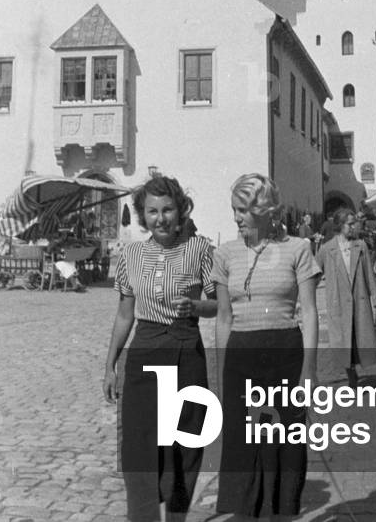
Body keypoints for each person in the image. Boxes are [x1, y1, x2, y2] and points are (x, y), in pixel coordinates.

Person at [103, 175, 216, 522]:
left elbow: (218, 306)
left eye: (167, 209)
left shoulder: (200, 249)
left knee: (184, 446)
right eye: (152, 211)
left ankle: (177, 519)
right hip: (144, 355)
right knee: (139, 448)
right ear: (142, 215)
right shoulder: (131, 254)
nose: (161, 218)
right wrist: (110, 365)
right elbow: (125, 315)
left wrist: (195, 307)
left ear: (180, 210)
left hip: (186, 353)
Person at [212, 173, 320, 520]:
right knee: (244, 446)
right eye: (234, 209)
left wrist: (309, 372)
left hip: (285, 357)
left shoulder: (298, 249)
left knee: (286, 444)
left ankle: (283, 513)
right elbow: (224, 318)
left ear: (265, 210)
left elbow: (310, 312)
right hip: (241, 359)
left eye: (243, 209)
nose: (236, 217)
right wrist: (220, 375)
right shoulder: (225, 254)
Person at [316, 207, 376, 387]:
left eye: (355, 223)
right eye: (350, 224)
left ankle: (355, 371)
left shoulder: (361, 246)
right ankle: (351, 375)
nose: (354, 227)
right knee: (344, 340)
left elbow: (369, 273)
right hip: (338, 303)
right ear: (340, 225)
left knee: (358, 337)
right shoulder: (326, 249)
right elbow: (314, 273)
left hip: (359, 301)